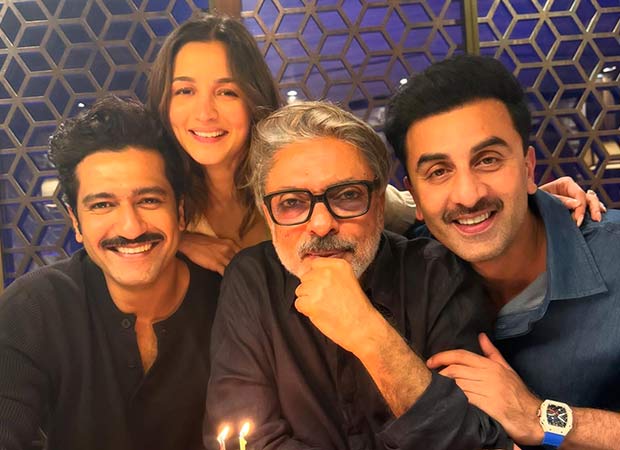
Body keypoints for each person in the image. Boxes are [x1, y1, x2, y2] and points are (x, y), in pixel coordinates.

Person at [206, 101, 513, 450]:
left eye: (347, 196)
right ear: (267, 213)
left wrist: (371, 335)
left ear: (379, 203)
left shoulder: (438, 274)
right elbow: (247, 440)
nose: (321, 224)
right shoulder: (253, 280)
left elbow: (473, 441)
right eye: (292, 203)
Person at [385, 54, 620, 449]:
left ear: (528, 168)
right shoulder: (408, 272)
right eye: (438, 172)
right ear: (415, 196)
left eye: (488, 160)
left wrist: (541, 417)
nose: (468, 195)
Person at [0, 96, 221, 450]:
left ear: (180, 211)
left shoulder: (229, 300)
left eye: (149, 200)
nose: (131, 228)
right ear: (75, 221)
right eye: (103, 205)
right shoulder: (33, 310)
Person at [146, 13, 431, 274]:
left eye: (227, 92)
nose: (205, 113)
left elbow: (411, 212)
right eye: (185, 91)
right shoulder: (160, 199)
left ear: (253, 98)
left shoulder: (294, 172)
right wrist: (178, 239)